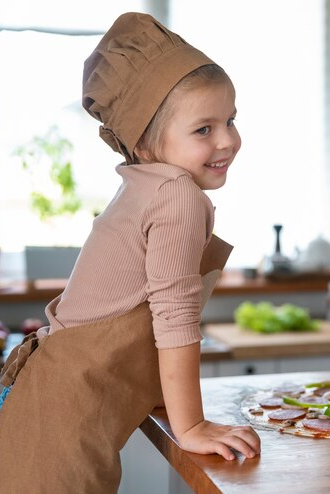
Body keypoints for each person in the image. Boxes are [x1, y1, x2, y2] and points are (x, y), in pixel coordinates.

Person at [0, 12, 260, 492]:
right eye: (203, 129)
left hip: (42, 409)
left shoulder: (143, 184)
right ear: (143, 143)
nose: (228, 140)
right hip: (60, 431)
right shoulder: (176, 194)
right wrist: (191, 426)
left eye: (230, 119)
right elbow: (175, 318)